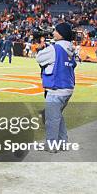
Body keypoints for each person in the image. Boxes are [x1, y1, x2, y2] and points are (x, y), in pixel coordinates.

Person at [36, 22, 76, 153]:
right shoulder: (70, 48)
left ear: (61, 34)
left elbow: (39, 58)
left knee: (52, 119)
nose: (54, 33)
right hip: (68, 87)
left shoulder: (55, 48)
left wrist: (42, 47)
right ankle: (63, 143)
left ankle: (51, 146)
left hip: (56, 88)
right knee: (58, 116)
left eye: (56, 31)